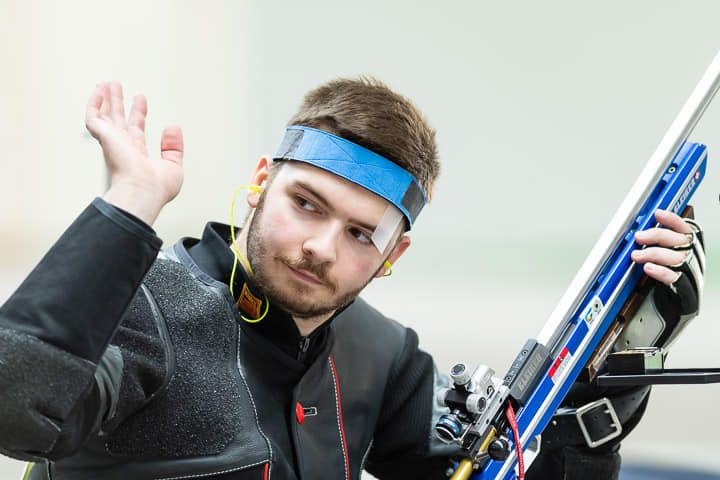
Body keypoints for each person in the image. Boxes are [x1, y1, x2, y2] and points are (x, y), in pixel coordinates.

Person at [0, 78, 704, 480]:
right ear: (259, 185)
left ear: (392, 256)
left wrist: (623, 355)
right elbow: (16, 406)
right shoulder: (150, 304)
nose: (319, 247)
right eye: (305, 204)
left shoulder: (380, 355)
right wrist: (128, 208)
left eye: (361, 234)